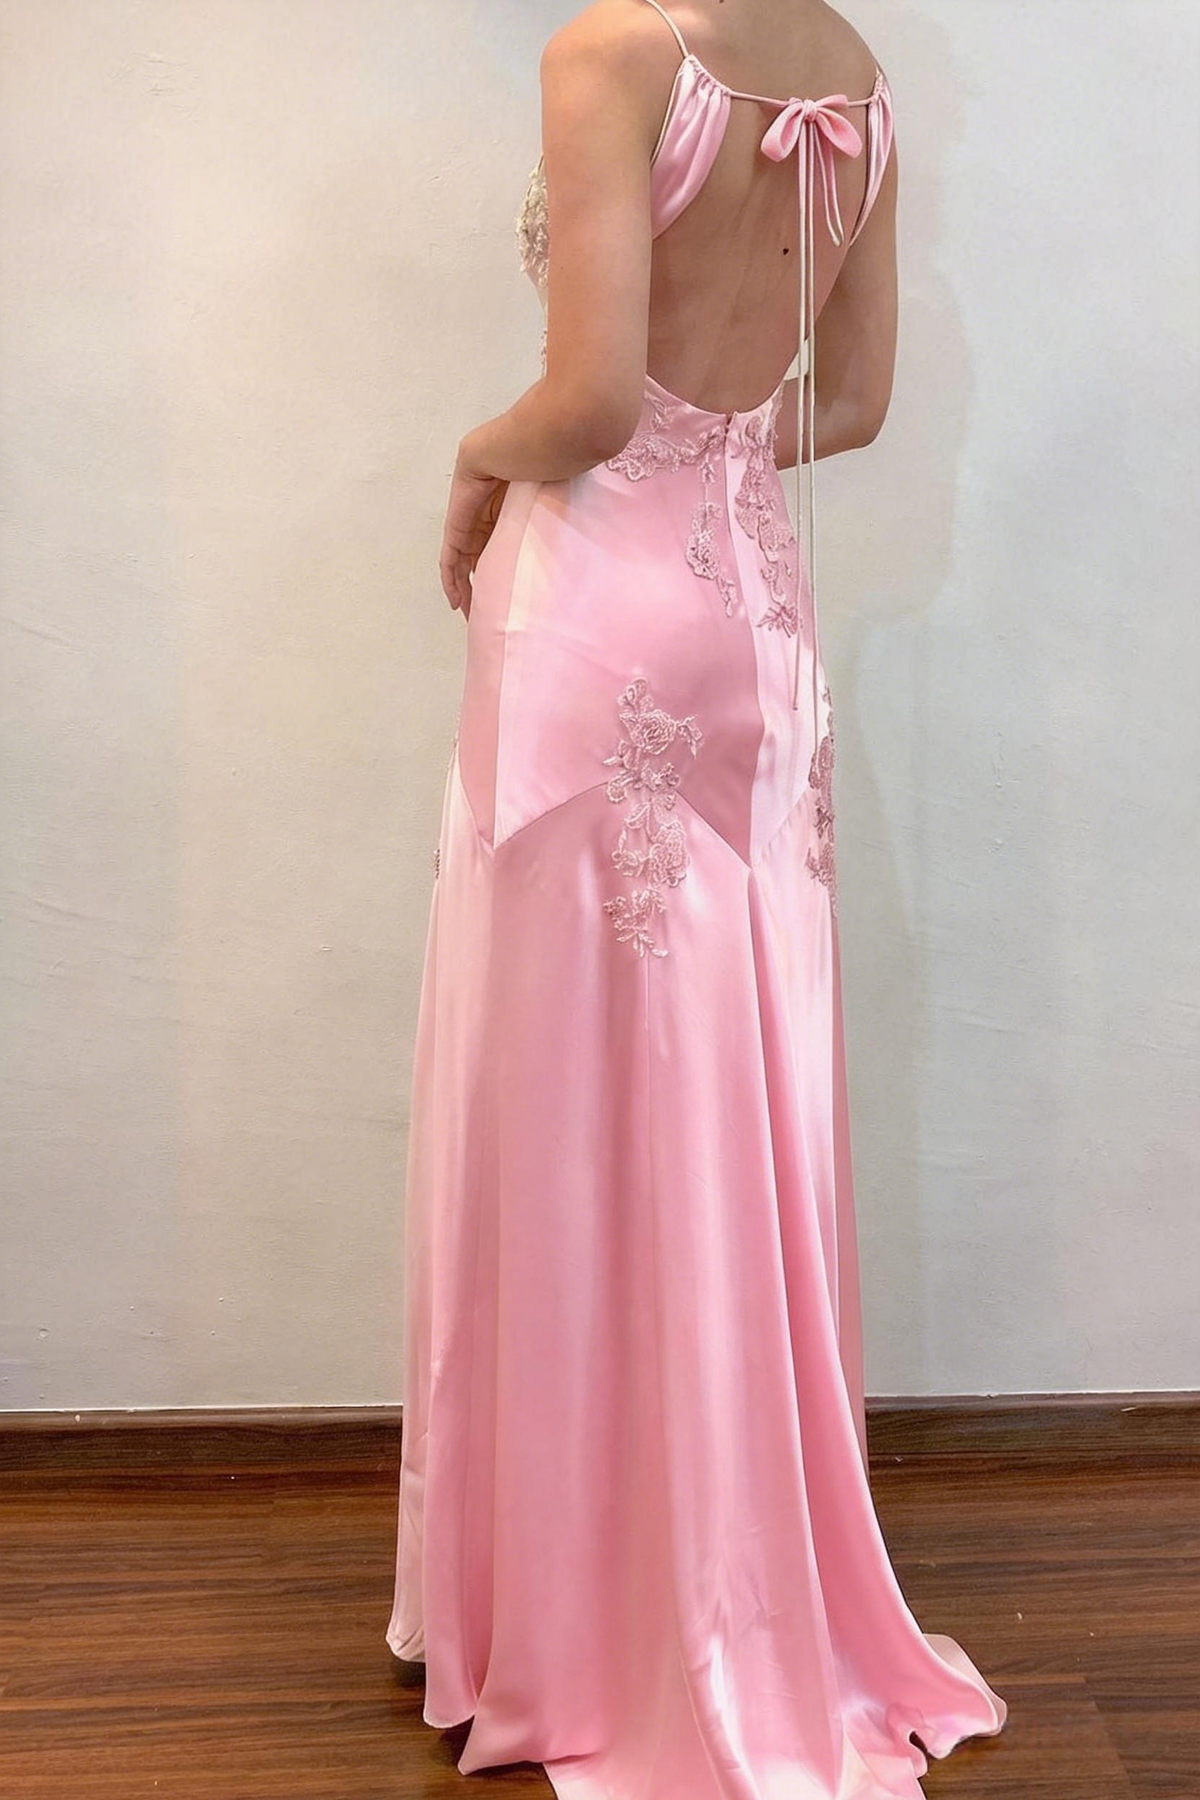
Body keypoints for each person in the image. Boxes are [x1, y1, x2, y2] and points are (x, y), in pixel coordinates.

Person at [387, 3, 1009, 1794]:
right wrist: (718, 462)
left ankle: (585, 1610)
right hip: (756, 625)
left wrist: (475, 453)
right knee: (731, 1083)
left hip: (597, 618)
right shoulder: (859, 78)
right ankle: (736, 1587)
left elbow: (589, 401)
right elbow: (856, 402)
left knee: (568, 1098)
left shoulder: (614, 53)